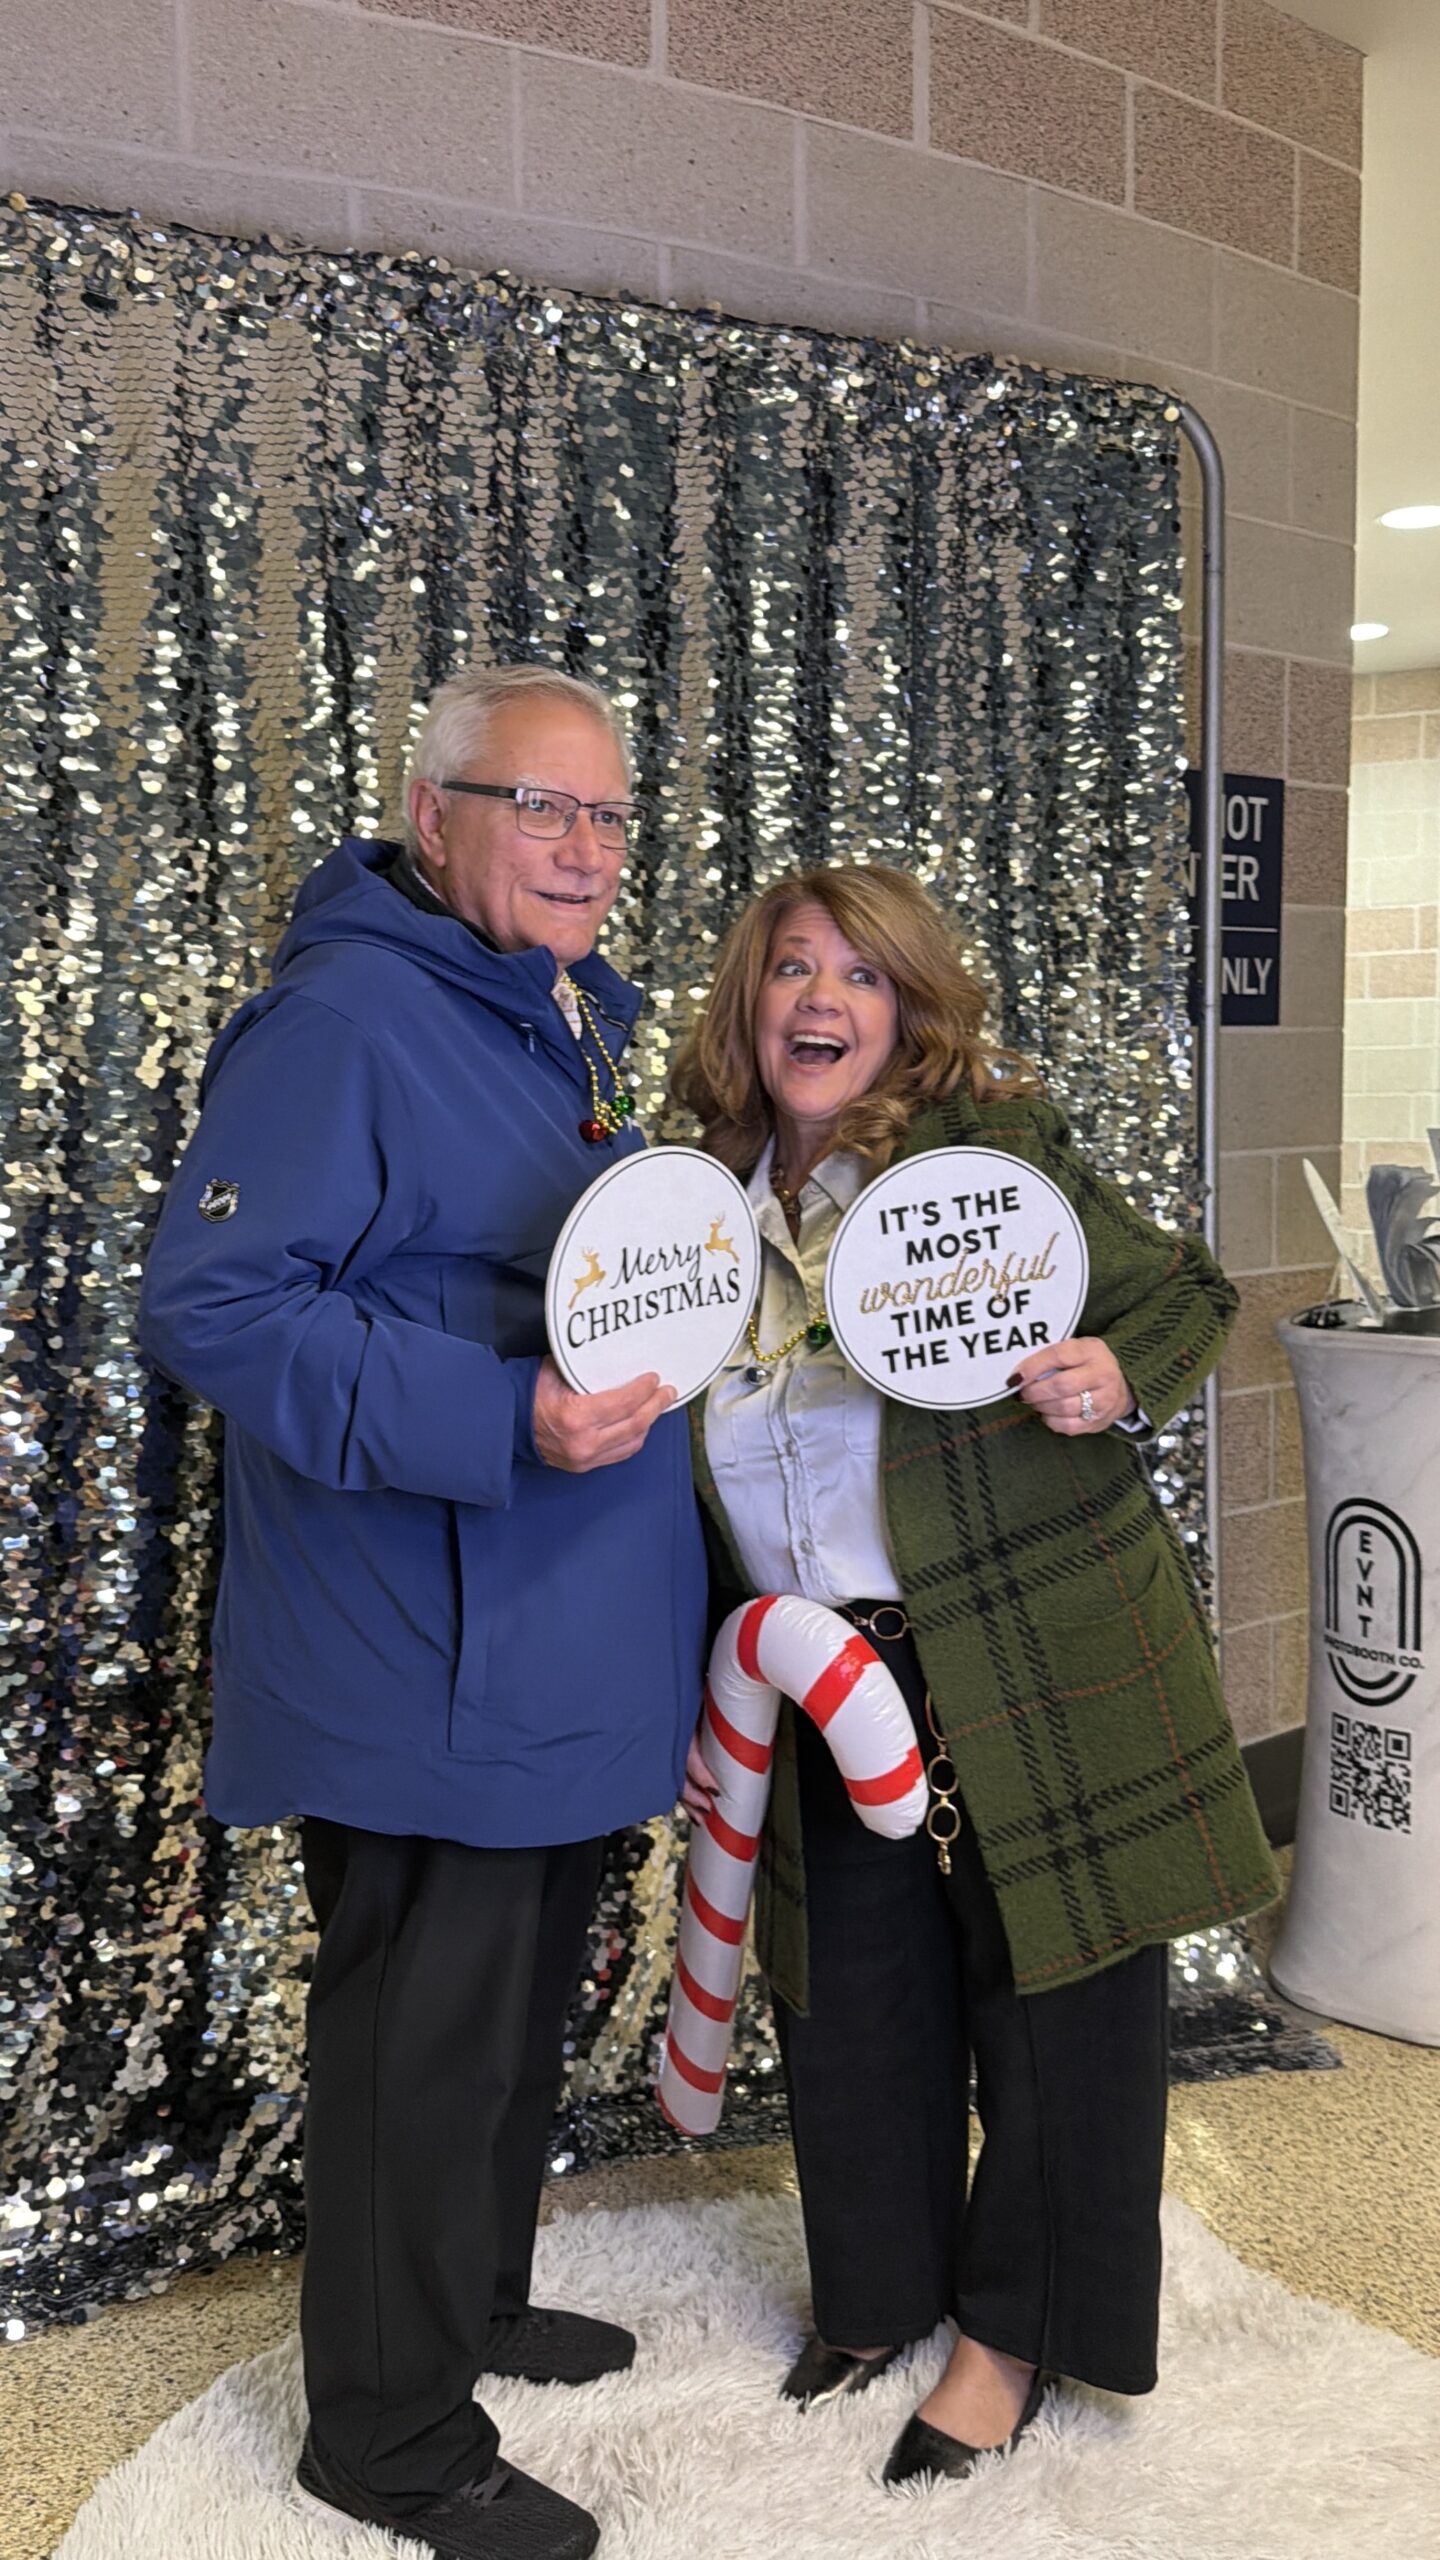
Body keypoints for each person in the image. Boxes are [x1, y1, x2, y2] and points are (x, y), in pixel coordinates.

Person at [139, 665, 707, 2560]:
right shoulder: (348, 1015)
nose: (583, 848)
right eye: (539, 807)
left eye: (610, 816)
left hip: (550, 1619)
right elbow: (216, 1307)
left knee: (520, 2007)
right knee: (424, 2037)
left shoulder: (572, 1013)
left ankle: (464, 2303)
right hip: (422, 1631)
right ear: (429, 809)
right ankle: (383, 2438)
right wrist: (504, 1411)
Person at [672, 862, 1276, 2492]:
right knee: (854, 2002)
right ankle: (878, 2300)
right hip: (808, 1665)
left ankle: (1017, 2335)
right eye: (792, 969)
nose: (821, 1001)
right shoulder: (687, 1203)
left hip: (1025, 1642)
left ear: (910, 1012)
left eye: (861, 978)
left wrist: (1110, 1373)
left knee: (1059, 2008)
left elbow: (1186, 1297)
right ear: (750, 1002)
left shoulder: (993, 1163)